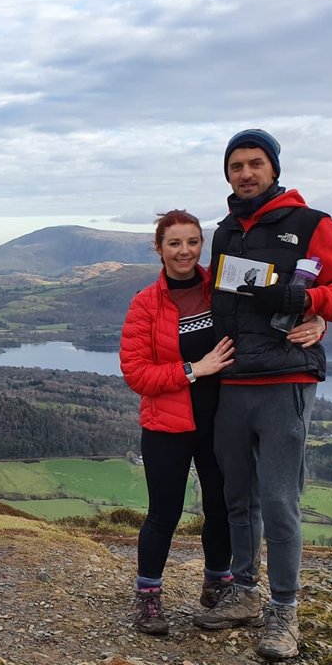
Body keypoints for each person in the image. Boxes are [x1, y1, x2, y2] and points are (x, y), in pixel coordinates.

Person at [193, 129, 332, 661]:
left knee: (279, 500)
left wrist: (309, 303)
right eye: (236, 166)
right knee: (236, 498)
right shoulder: (224, 231)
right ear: (227, 174)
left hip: (285, 382)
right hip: (232, 381)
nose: (245, 173)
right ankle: (245, 592)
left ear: (273, 168)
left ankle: (284, 610)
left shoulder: (311, 223)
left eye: (255, 163)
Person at [119, 210, 237, 636]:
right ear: (159, 248)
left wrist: (316, 321)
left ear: (201, 245)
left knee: (221, 508)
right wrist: (195, 369)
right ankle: (148, 598)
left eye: (192, 242)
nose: (184, 251)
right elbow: (136, 374)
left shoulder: (223, 290)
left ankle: (218, 586)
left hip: (221, 422)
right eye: (174, 243)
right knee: (163, 514)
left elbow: (266, 325)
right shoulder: (146, 303)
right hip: (166, 426)